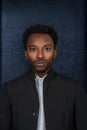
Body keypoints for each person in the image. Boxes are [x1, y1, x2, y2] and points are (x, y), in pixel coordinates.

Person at [0, 24, 87, 130]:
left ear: (54, 53)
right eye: (33, 49)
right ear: (26, 54)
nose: (40, 55)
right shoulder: (10, 90)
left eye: (46, 49)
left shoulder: (74, 89)